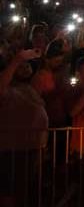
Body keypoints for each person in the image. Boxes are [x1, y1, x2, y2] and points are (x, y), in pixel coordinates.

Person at [0, 49, 48, 206]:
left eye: (27, 65)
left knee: (27, 190)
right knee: (10, 190)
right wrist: (16, 60)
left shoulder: (29, 88)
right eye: (21, 66)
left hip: (32, 148)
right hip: (11, 150)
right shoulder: (7, 88)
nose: (25, 68)